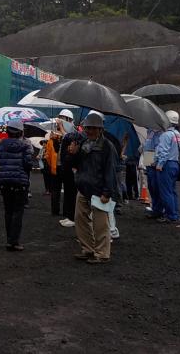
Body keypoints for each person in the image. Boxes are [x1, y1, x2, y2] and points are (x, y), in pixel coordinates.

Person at [68, 112, 118, 264]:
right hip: (83, 188)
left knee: (100, 224)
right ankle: (88, 249)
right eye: (87, 127)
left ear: (100, 129)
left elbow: (111, 171)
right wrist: (73, 154)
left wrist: (107, 192)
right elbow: (75, 165)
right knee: (80, 219)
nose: (89, 130)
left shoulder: (107, 147)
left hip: (99, 191)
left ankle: (102, 253)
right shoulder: (83, 144)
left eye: (93, 128)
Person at [0, 120, 33, 252]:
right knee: (18, 211)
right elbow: (28, 164)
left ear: (7, 132)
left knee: (8, 211)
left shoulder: (0, 146)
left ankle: (9, 239)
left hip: (5, 181)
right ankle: (14, 241)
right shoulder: (25, 146)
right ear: (21, 132)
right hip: (20, 182)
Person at [155, 110, 180, 223]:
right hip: (175, 163)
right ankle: (174, 213)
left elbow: (163, 151)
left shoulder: (166, 135)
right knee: (172, 190)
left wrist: (159, 164)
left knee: (165, 191)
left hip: (166, 164)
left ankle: (170, 215)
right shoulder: (177, 134)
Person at [143, 127, 164, 218]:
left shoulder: (159, 132)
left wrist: (155, 161)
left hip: (153, 157)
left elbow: (158, 147)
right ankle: (155, 208)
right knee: (151, 186)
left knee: (155, 186)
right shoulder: (149, 131)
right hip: (148, 156)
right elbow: (147, 144)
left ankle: (159, 209)